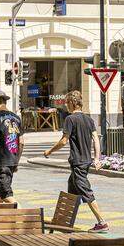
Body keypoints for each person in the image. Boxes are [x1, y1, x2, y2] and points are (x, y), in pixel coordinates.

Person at [44, 91, 109, 232]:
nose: (66, 105)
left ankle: (102, 222)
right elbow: (96, 139)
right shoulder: (89, 119)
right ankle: (64, 222)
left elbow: (63, 141)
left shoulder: (70, 119)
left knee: (86, 192)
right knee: (72, 191)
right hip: (85, 161)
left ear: (72, 103)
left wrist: (49, 151)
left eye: (67, 103)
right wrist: (97, 158)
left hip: (78, 162)